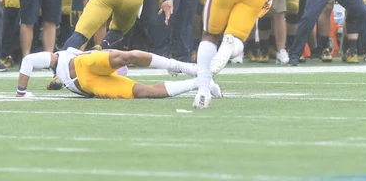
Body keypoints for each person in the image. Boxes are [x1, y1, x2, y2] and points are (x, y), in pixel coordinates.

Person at [16, 48, 222, 100]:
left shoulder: (61, 56)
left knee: (127, 56)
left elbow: (29, 60)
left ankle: (185, 67)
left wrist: (21, 92)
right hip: (92, 87)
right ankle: (199, 81)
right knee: (144, 92)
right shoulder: (55, 65)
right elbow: (30, 60)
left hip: (84, 64)